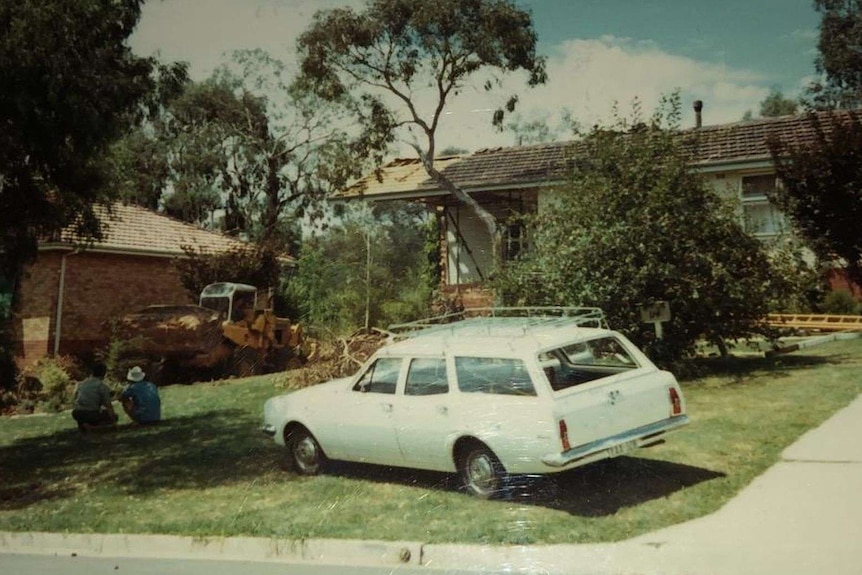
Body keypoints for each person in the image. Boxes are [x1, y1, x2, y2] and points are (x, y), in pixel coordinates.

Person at [72, 362, 118, 431]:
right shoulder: (101, 386)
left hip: (77, 412)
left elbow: (75, 396)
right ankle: (94, 428)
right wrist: (114, 420)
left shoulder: (82, 383)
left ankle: (84, 425)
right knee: (111, 416)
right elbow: (108, 406)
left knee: (87, 414)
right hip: (90, 413)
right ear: (104, 373)